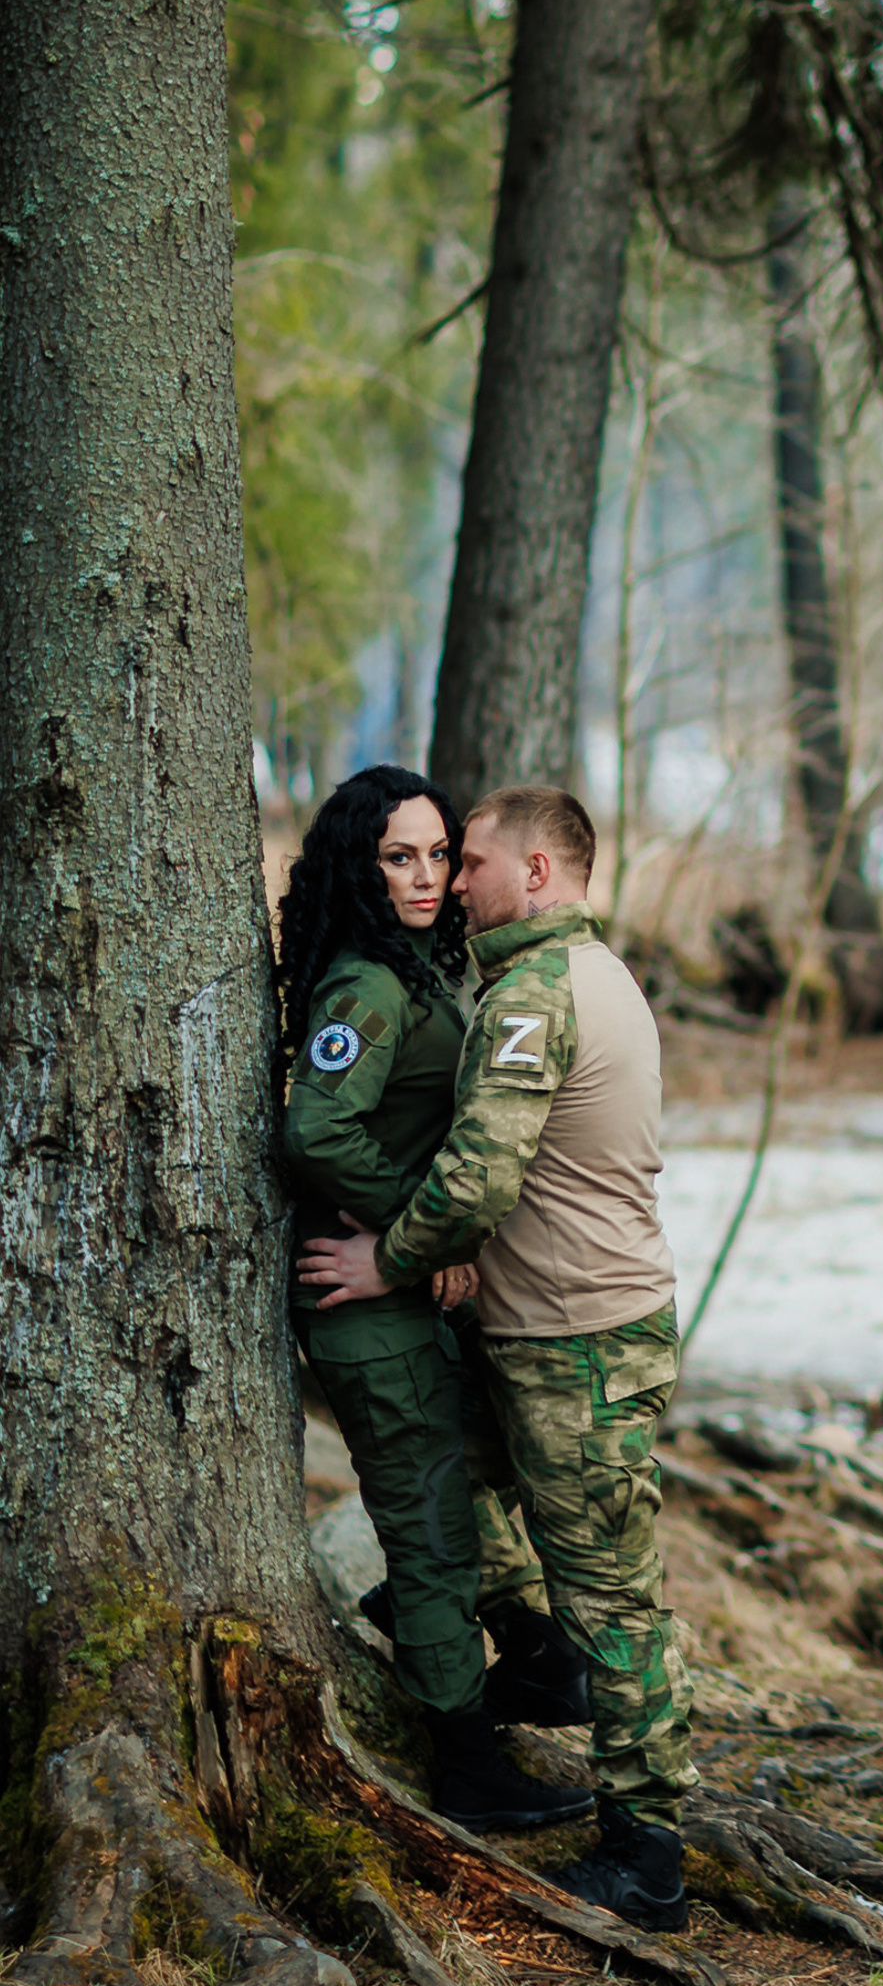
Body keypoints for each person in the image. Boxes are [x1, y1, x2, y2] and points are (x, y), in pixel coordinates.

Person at [297, 785, 696, 1931]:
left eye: (467, 860)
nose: (450, 882)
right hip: (552, 1330)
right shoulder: (577, 973)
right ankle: (523, 1654)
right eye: (427, 859)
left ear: (533, 872)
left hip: (578, 1340)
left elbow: (478, 1175)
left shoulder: (535, 994)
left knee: (616, 1604)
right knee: (452, 1476)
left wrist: (393, 1257)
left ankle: (645, 1856)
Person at [276, 766, 594, 1834]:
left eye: (440, 854)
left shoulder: (419, 970)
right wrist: (419, 1232)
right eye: (399, 857)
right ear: (361, 870)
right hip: (366, 1303)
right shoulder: (367, 985)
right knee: (427, 1534)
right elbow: (317, 1131)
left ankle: (533, 1658)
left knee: (464, 1495)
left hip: (411, 1295)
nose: (428, 877)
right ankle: (465, 1766)